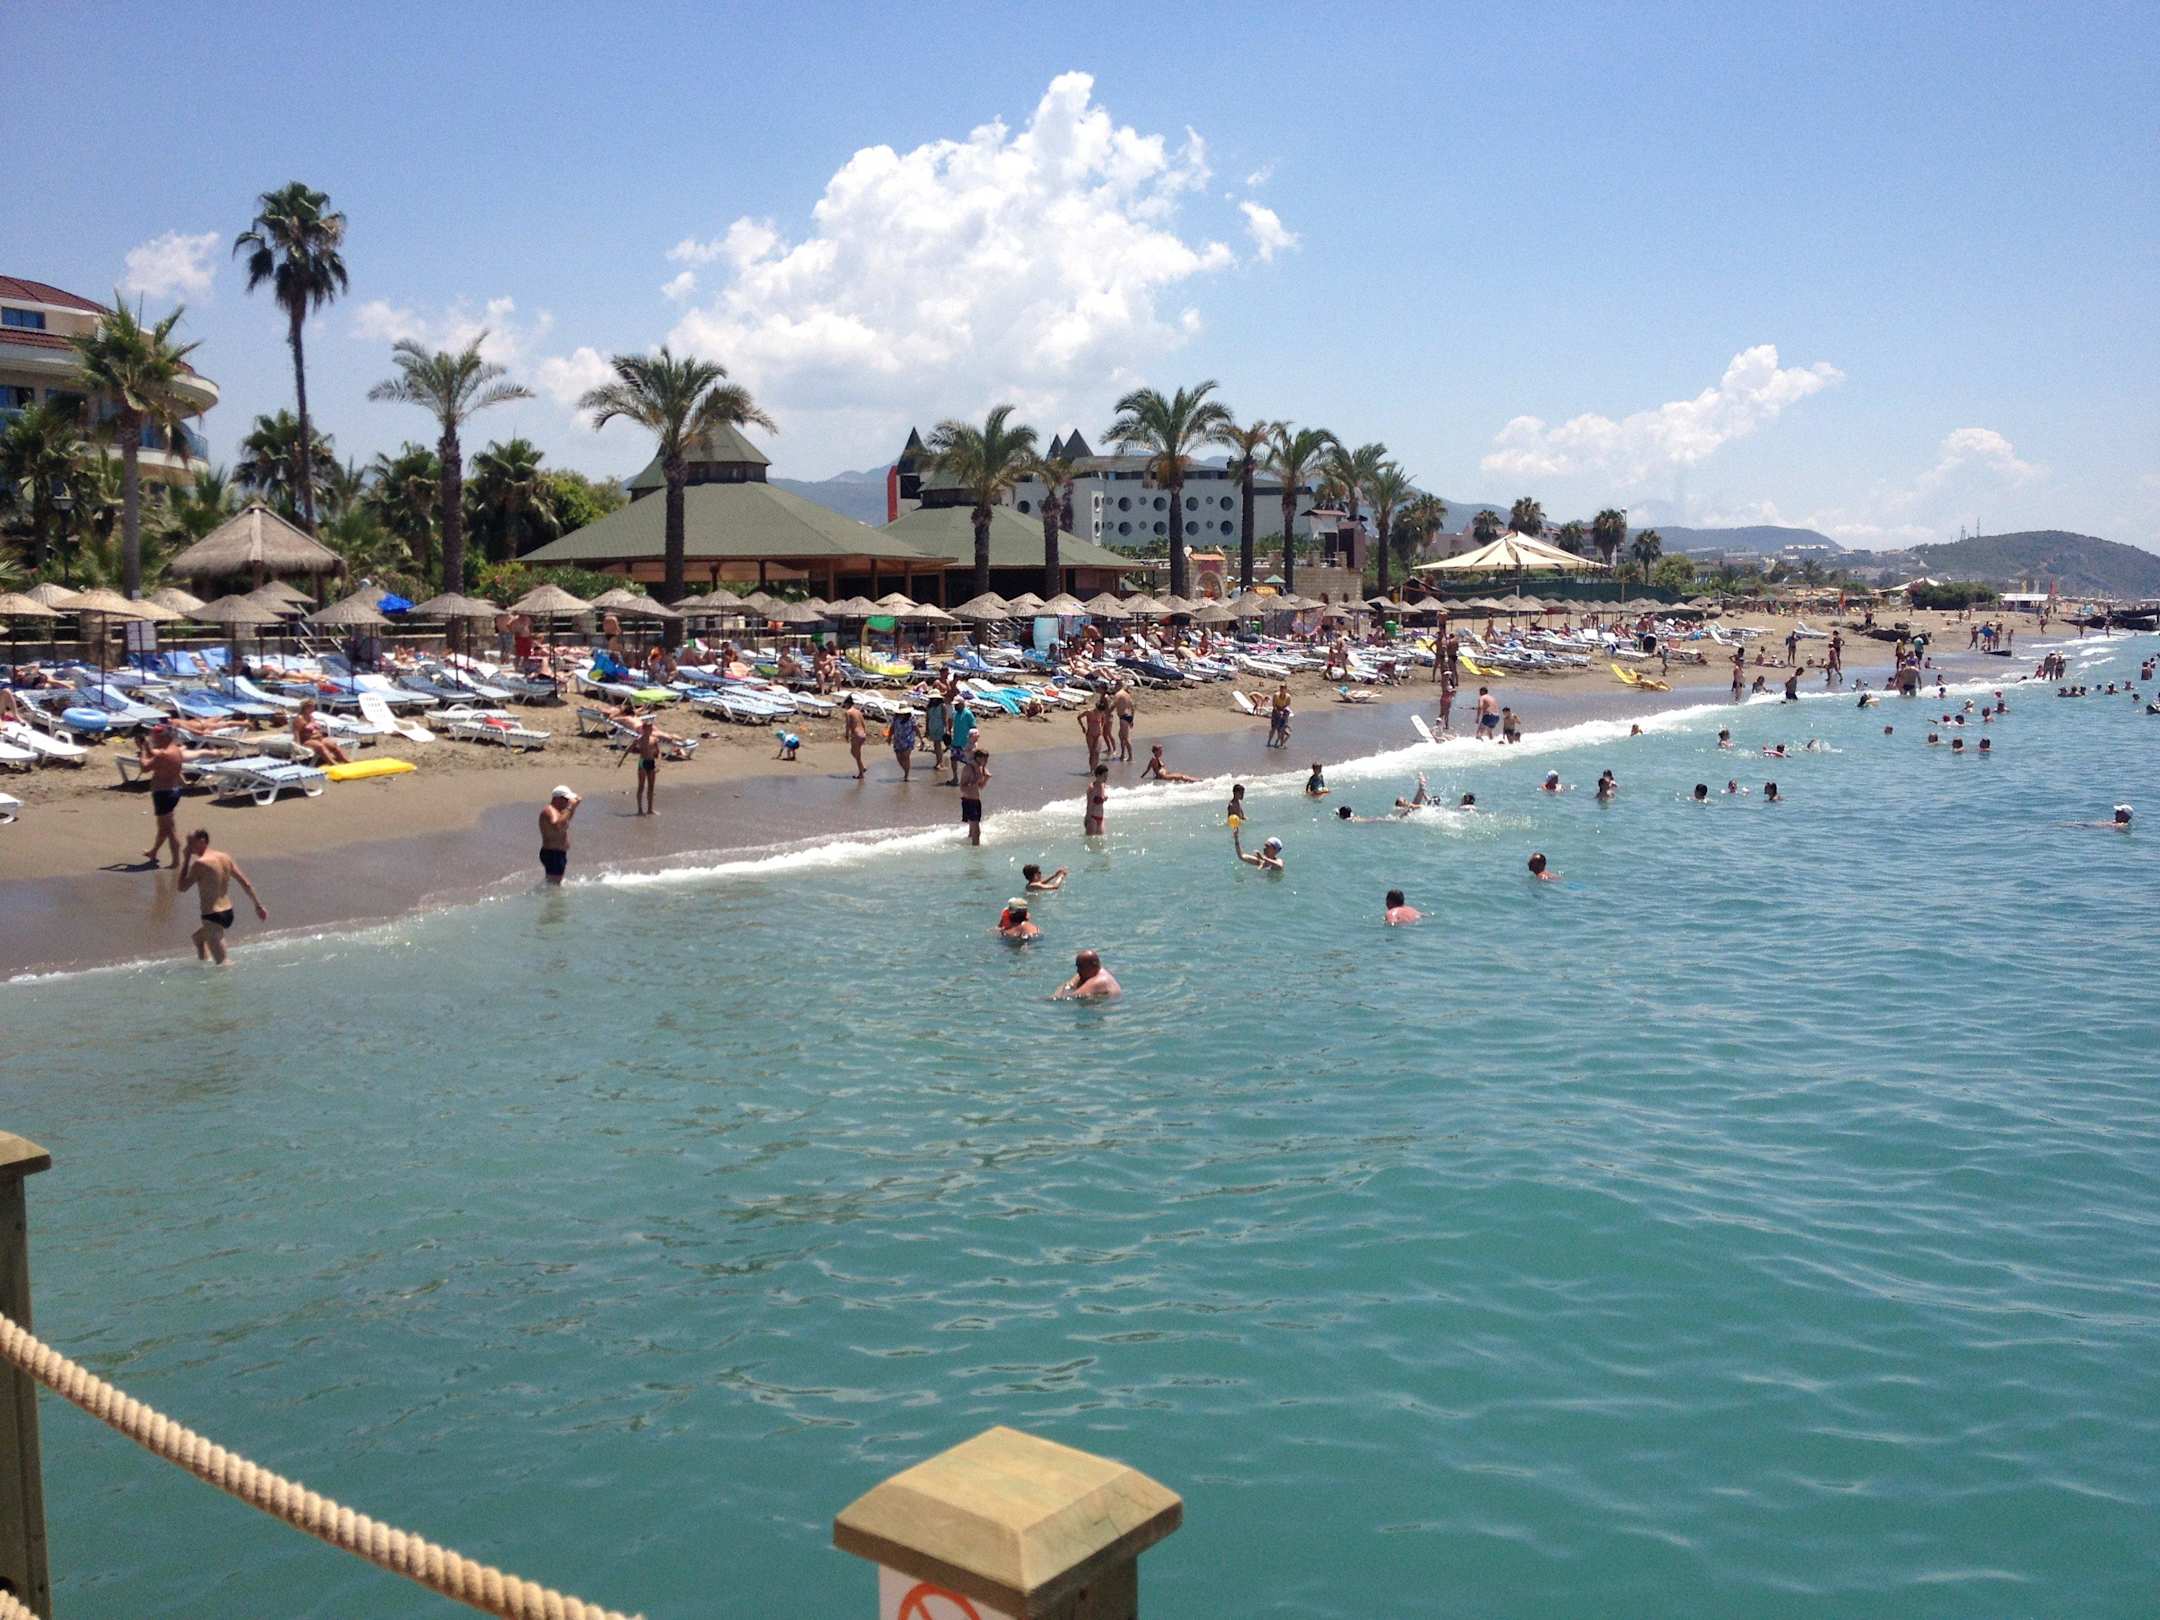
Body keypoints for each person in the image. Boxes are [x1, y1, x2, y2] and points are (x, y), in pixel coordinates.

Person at [178, 829, 266, 965]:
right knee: (198, 938)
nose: (188, 846)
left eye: (190, 842)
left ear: (202, 841)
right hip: (227, 913)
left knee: (223, 964)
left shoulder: (200, 863)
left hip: (212, 916)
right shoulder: (225, 857)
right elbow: (245, 883)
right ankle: (203, 965)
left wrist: (186, 859)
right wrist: (258, 906)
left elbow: (182, 887)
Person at [136, 725, 201, 868]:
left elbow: (144, 767)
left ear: (164, 737)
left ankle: (176, 862)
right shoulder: (176, 750)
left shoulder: (164, 754)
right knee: (163, 826)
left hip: (163, 794)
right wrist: (184, 783)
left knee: (170, 829)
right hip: (173, 790)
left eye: (155, 737)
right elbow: (175, 769)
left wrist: (143, 750)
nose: (153, 739)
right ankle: (154, 851)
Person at [539, 785, 580, 883]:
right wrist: (570, 807)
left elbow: (566, 820)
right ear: (558, 799)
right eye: (567, 800)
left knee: (554, 884)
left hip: (557, 853)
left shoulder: (559, 812)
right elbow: (557, 825)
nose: (568, 802)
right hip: (553, 853)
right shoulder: (550, 810)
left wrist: (573, 807)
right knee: (554, 884)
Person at [291, 699, 351, 767]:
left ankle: (346, 761)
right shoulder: (299, 719)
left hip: (318, 738)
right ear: (306, 708)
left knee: (332, 744)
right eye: (312, 707)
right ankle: (333, 764)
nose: (314, 708)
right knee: (320, 746)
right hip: (306, 741)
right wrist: (298, 747)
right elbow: (296, 733)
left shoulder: (311, 717)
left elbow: (315, 728)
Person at [1053, 948, 1121, 999]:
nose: (1078, 971)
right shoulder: (1090, 973)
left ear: (1093, 966)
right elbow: (1068, 985)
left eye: (1081, 967)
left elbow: (1071, 996)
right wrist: (1063, 989)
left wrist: (1050, 999)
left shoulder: (1100, 980)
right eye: (1078, 967)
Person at [960, 745, 989, 845]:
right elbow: (962, 787)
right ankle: (975, 852)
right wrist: (976, 781)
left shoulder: (980, 768)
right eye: (985, 760)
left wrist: (986, 779)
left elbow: (980, 787)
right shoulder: (968, 768)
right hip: (968, 801)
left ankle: (968, 848)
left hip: (976, 801)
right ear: (978, 758)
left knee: (972, 832)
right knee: (977, 832)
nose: (986, 762)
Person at [948, 699, 978, 786]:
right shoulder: (955, 713)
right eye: (955, 705)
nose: (955, 706)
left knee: (968, 762)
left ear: (962, 704)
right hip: (955, 741)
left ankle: (972, 779)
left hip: (965, 743)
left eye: (957, 705)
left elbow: (973, 727)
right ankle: (955, 778)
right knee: (953, 759)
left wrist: (973, 741)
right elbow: (951, 722)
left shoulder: (968, 714)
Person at [840, 697, 869, 780]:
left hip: (856, 734)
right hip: (862, 734)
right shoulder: (858, 711)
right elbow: (863, 723)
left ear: (847, 704)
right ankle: (862, 768)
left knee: (857, 754)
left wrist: (846, 735)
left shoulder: (848, 712)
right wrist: (864, 732)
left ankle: (861, 774)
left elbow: (848, 724)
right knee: (853, 752)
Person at [923, 688, 949, 775]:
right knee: (935, 745)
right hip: (932, 727)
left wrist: (947, 729)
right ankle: (938, 762)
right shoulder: (929, 707)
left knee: (938, 744)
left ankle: (940, 762)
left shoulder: (942, 706)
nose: (934, 699)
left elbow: (945, 718)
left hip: (940, 726)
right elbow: (927, 718)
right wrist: (927, 729)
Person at [890, 705, 918, 782]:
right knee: (899, 758)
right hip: (898, 740)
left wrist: (921, 739)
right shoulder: (895, 718)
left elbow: (915, 728)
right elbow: (892, 727)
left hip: (908, 740)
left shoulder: (911, 718)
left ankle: (906, 775)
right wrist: (889, 737)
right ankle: (906, 770)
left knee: (906, 757)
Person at [1113, 681, 1136, 763]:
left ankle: (1130, 757)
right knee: (1121, 736)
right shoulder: (1127, 694)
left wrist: (1108, 712)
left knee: (1126, 738)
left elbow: (1114, 704)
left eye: (1115, 686)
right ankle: (1122, 755)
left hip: (1124, 717)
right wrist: (1132, 719)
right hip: (1127, 716)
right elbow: (1132, 707)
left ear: (1118, 686)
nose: (1114, 688)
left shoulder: (1118, 694)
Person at [1085, 764, 1109, 836]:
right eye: (1104, 776)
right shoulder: (1092, 788)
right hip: (1092, 818)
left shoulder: (1103, 785)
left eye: (1107, 776)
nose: (1106, 778)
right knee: (1090, 840)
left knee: (1100, 841)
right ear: (1098, 775)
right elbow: (1089, 805)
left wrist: (1104, 798)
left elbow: (1100, 798)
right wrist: (1087, 819)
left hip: (1101, 818)